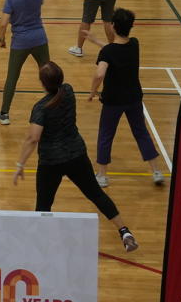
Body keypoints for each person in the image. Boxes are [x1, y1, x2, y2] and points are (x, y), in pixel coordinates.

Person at [12, 61, 138, 252]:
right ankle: (125, 231)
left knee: (44, 204)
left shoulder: (40, 108)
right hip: (76, 155)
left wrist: (20, 164)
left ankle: (38, 247)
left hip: (51, 162)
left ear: (43, 83)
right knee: (96, 194)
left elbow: (33, 138)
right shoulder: (68, 91)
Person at [83, 8, 163, 186]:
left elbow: (99, 74)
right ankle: (156, 171)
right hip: (133, 98)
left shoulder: (108, 53)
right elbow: (116, 50)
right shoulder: (134, 44)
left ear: (112, 26)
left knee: (106, 135)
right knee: (141, 133)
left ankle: (102, 175)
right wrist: (97, 41)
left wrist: (92, 91)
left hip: (113, 101)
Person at [0, 0, 49, 125]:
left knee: (12, 76)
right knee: (48, 74)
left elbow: (3, 24)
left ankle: (4, 114)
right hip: (40, 38)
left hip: (20, 42)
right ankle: (55, 108)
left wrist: (1, 39)